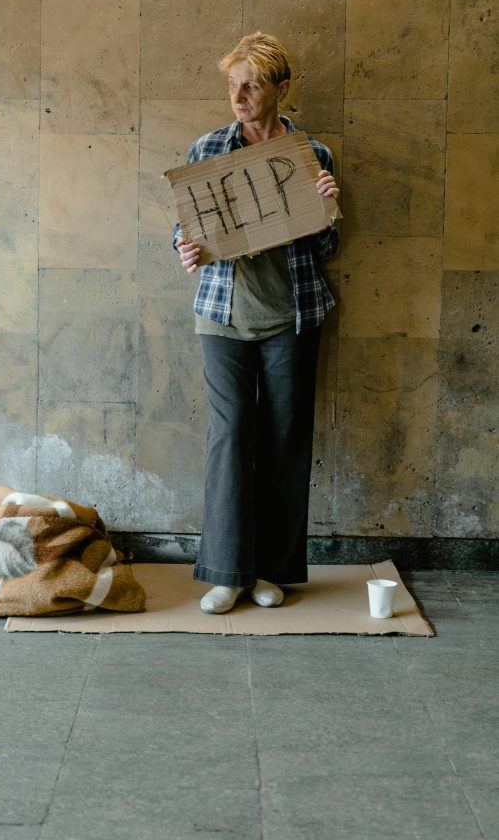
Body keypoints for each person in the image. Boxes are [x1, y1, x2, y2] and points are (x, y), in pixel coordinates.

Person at [174, 32, 340, 614]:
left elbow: (329, 245)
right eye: (232, 85)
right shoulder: (209, 148)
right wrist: (186, 249)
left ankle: (272, 571)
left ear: (282, 89)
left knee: (285, 439)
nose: (238, 96)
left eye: (251, 85)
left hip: (292, 315)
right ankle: (227, 573)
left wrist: (325, 207)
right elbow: (186, 228)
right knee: (231, 436)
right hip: (221, 316)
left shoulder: (310, 155)